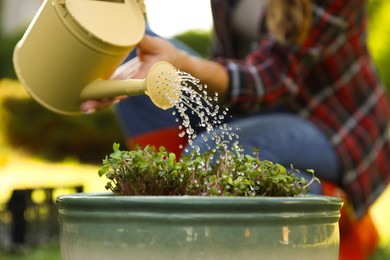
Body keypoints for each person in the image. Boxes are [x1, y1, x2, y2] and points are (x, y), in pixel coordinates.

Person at [83, 1, 390, 258]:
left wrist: (183, 66)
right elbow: (228, 69)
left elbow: (269, 80)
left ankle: (332, 230)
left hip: (330, 126)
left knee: (210, 151)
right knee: (130, 46)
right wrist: (134, 71)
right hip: (249, 110)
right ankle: (184, 232)